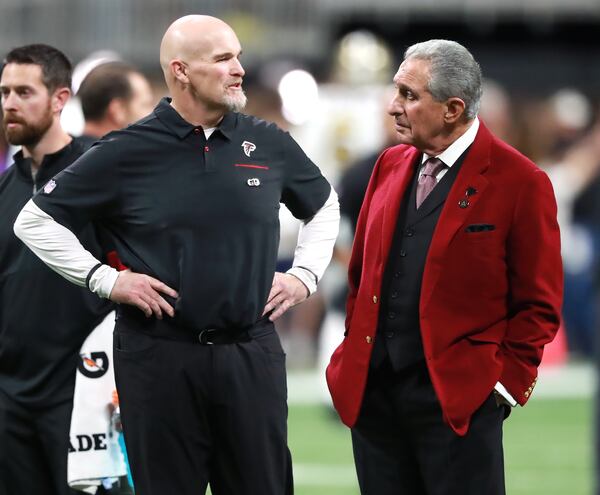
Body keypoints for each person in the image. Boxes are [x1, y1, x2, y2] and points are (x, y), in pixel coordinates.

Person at [15, 15, 339, 495]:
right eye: (223, 59)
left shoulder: (267, 141)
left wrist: (304, 275)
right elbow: (34, 221)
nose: (238, 70)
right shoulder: (125, 150)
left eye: (239, 57)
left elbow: (324, 205)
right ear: (181, 71)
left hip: (249, 351)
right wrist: (106, 279)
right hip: (156, 354)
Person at [326, 39, 563, 495]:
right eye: (397, 91)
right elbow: (362, 276)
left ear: (453, 109)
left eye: (409, 96)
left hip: (460, 404)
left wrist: (504, 387)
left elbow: (539, 303)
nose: (393, 106)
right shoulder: (389, 164)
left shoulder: (521, 181)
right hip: (375, 401)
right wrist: (350, 357)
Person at [0, 44, 113, 495]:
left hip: (83, 393)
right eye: (5, 91)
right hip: (11, 399)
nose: (10, 102)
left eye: (24, 91)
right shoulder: (5, 189)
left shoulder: (99, 173)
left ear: (60, 98)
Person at [77, 61, 154, 142]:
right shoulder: (120, 153)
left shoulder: (67, 151)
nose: (152, 113)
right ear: (118, 110)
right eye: (145, 104)